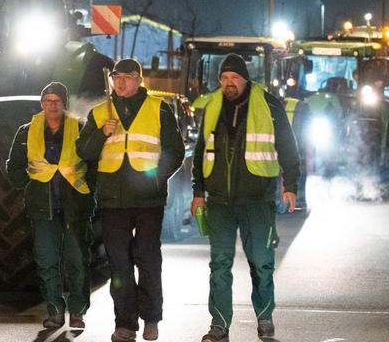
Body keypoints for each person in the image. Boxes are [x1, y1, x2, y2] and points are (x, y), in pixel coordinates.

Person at [190, 54, 301, 342]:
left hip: (257, 200)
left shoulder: (269, 104)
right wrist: (198, 192)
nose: (229, 83)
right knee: (219, 265)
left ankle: (265, 318)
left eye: (234, 78)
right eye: (224, 78)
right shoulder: (212, 105)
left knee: (261, 262)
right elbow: (201, 151)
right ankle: (219, 325)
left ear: (245, 79)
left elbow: (288, 146)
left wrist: (291, 185)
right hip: (219, 202)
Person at [76, 58, 185, 342]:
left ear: (139, 80)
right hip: (113, 200)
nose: (121, 82)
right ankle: (125, 324)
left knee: (148, 259)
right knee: (119, 264)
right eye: (117, 77)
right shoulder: (99, 112)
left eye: (127, 77)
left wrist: (157, 177)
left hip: (149, 200)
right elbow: (84, 151)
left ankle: (151, 318)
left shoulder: (158, 108)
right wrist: (102, 133)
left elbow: (175, 151)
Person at [6, 82, 95, 330]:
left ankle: (77, 311)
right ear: (41, 103)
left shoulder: (80, 128)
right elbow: (14, 165)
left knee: (77, 260)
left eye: (57, 101)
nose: (52, 105)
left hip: (75, 205)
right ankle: (55, 311)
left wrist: (91, 189)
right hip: (42, 206)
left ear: (64, 103)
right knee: (46, 260)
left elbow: (94, 163)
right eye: (47, 100)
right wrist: (27, 186)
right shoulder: (26, 132)